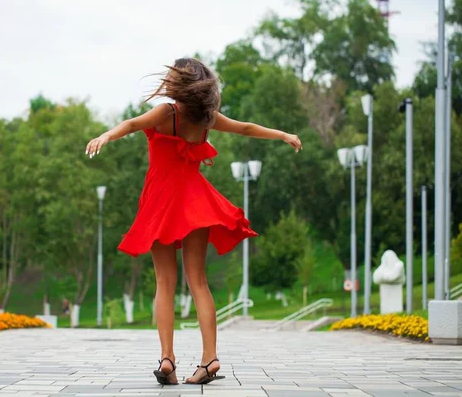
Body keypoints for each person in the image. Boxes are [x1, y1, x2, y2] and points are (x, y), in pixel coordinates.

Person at [85, 58, 302, 385]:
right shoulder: (206, 119)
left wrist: (105, 136)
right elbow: (245, 128)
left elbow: (130, 124)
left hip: (162, 203)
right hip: (195, 203)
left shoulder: (166, 113)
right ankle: (209, 359)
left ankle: (168, 359)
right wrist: (283, 134)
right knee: (198, 282)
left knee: (165, 284)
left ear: (179, 82)